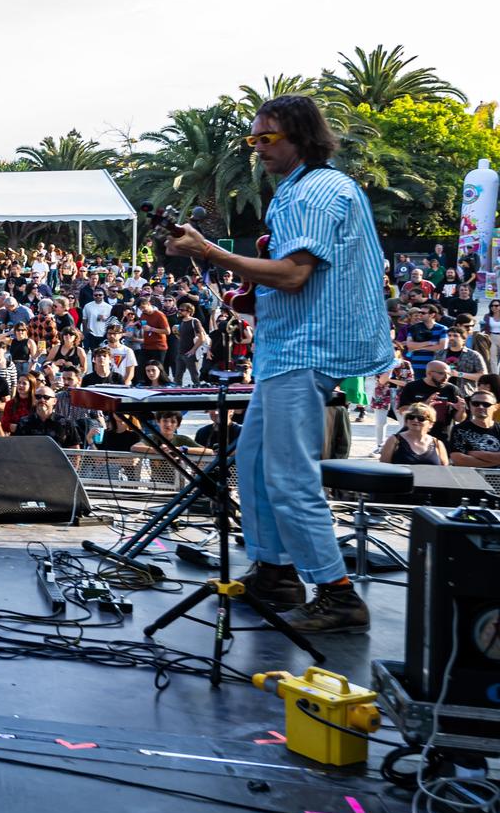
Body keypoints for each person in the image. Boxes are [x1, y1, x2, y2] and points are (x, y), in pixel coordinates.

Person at [167, 94, 392, 634]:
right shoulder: (299, 189)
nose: (258, 149)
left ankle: (337, 593)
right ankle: (276, 573)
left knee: (290, 474)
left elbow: (293, 275)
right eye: (253, 140)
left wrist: (210, 253)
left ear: (300, 136)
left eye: (267, 138)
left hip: (308, 346)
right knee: (253, 461)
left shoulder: (317, 192)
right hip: (287, 345)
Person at [10, 386, 88, 447]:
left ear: (54, 401)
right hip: (30, 465)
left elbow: (75, 450)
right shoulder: (23, 422)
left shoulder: (66, 423)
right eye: (38, 397)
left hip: (58, 466)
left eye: (46, 397)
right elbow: (17, 447)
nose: (42, 400)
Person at [446, 390, 500, 468]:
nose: (480, 407)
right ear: (470, 405)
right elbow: (458, 459)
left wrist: (476, 454)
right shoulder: (459, 429)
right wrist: (495, 461)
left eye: (486, 404)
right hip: (469, 478)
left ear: (495, 407)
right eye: (475, 403)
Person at [381, 402, 446, 466]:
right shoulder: (394, 441)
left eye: (421, 418)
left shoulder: (437, 443)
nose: (415, 420)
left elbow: (444, 470)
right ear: (406, 421)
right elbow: (384, 469)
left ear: (431, 424)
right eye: (411, 417)